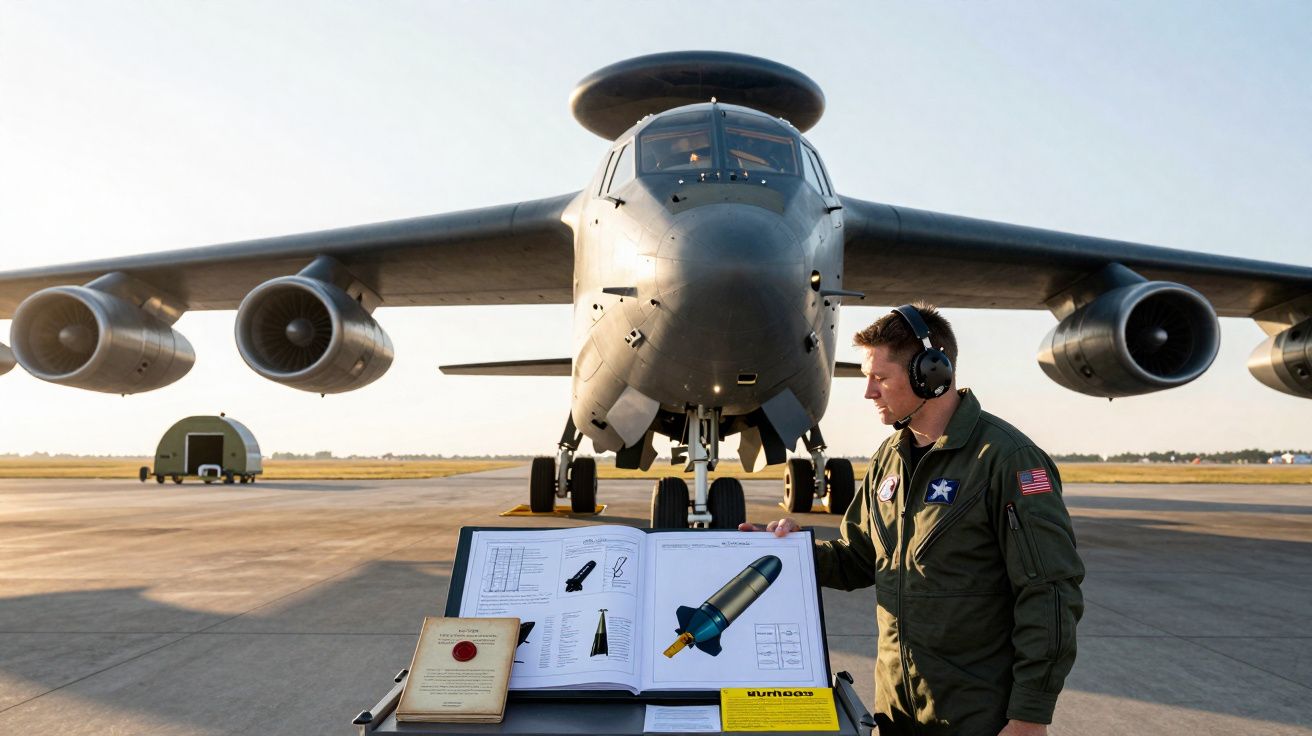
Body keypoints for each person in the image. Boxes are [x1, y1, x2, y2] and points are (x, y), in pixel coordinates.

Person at [741, 303, 1084, 736]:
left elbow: (1049, 592)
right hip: (896, 713)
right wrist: (791, 551)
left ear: (931, 373)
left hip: (976, 718)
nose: (869, 392)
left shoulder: (1006, 460)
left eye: (880, 378)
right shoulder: (889, 458)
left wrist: (1029, 716)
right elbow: (857, 559)